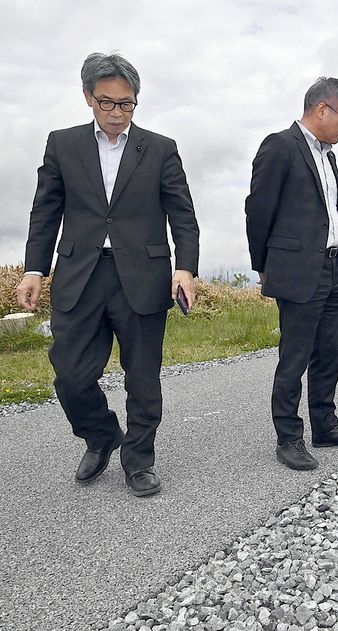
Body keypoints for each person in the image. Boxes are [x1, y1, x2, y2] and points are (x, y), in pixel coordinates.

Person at [15, 53, 200, 497]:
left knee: (142, 377)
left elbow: (183, 216)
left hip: (143, 276)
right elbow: (46, 211)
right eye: (107, 103)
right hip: (81, 274)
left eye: (127, 104)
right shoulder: (63, 143)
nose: (117, 113)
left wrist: (185, 269)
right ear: (87, 98)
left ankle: (139, 458)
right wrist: (35, 269)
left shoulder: (160, 148)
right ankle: (100, 435)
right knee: (70, 375)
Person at [245, 77, 338, 472]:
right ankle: (289, 437)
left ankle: (325, 424)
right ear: (322, 109)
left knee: (330, 352)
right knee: (295, 356)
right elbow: (258, 210)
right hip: (300, 270)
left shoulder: (329, 157)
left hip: (335, 268)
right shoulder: (280, 146)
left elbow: (335, 214)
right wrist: (262, 265)